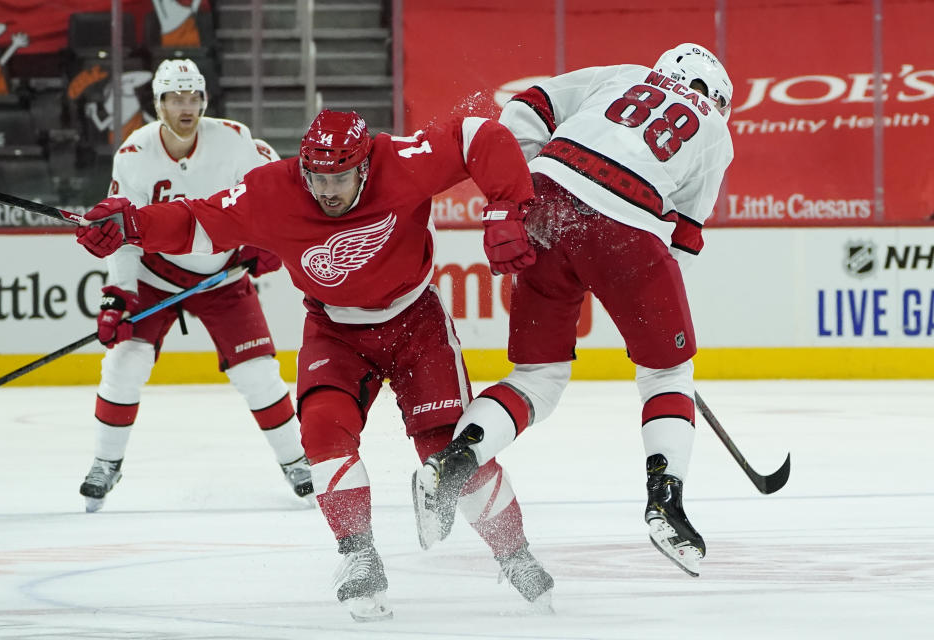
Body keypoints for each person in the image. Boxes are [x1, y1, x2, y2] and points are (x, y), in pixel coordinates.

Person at [75, 109, 554, 620]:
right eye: (317, 178)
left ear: (365, 168)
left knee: (445, 451)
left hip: (417, 322)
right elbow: (199, 220)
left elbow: (478, 134)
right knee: (323, 435)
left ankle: (516, 555)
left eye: (340, 178)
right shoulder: (274, 189)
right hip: (334, 330)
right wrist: (131, 225)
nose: (327, 190)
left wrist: (508, 205)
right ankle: (359, 556)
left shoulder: (400, 161)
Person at [412, 43, 735, 579]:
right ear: (717, 100)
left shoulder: (626, 75)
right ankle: (666, 502)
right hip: (629, 229)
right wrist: (645, 307)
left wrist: (520, 187)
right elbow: (685, 238)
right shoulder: (715, 132)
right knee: (667, 373)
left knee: (537, 377)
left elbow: (530, 104)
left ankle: (453, 462)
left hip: (546, 201)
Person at [77, 59, 313, 513]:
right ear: (157, 103)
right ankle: (106, 462)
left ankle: (297, 461)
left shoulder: (236, 140)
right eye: (175, 98)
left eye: (194, 98)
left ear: (205, 100)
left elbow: (282, 190)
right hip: (155, 276)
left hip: (224, 275)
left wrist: (270, 241)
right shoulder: (134, 154)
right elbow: (123, 236)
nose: (186, 107)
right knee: (125, 362)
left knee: (259, 374)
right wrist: (118, 298)